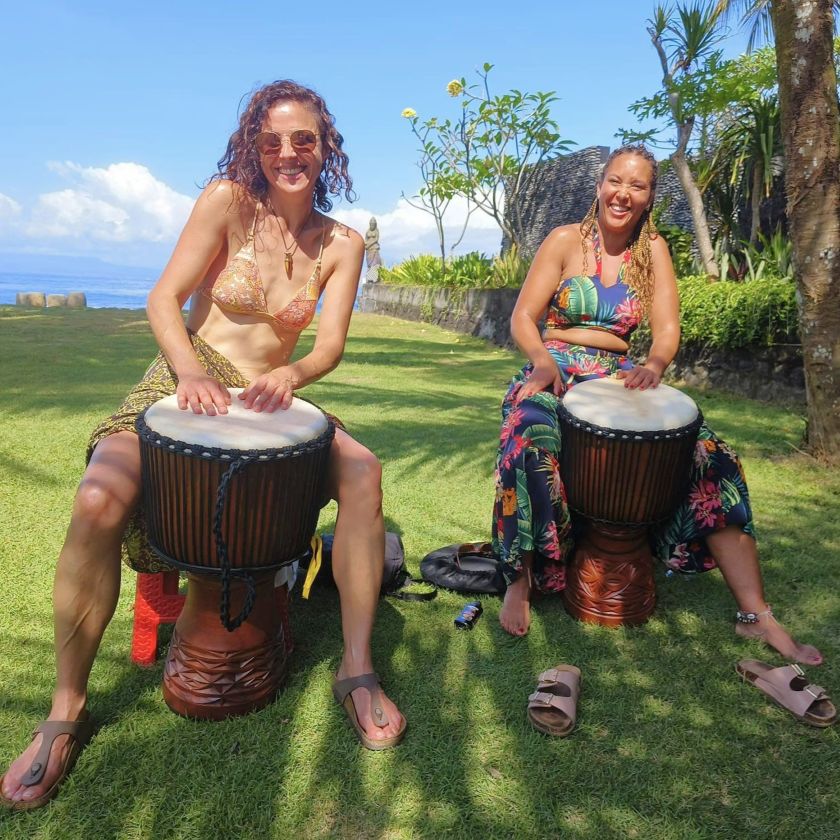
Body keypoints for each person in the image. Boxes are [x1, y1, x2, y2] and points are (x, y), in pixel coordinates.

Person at [1, 79, 405, 811]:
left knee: (364, 473)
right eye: (273, 139)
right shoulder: (227, 201)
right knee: (98, 496)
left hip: (271, 392)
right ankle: (63, 712)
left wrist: (292, 370)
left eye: (304, 139)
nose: (288, 152)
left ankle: (357, 669)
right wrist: (186, 371)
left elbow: (331, 346)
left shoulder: (341, 243)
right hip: (187, 379)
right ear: (255, 146)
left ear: (326, 147)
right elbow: (164, 299)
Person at [492, 144, 823, 670]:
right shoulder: (563, 240)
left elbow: (667, 331)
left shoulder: (655, 251)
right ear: (600, 184)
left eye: (638, 185)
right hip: (553, 367)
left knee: (714, 457)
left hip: (619, 378)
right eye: (616, 181)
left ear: (648, 197)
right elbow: (522, 319)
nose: (624, 193)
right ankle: (521, 577)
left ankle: (756, 614)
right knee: (530, 435)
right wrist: (540, 364)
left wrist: (656, 365)